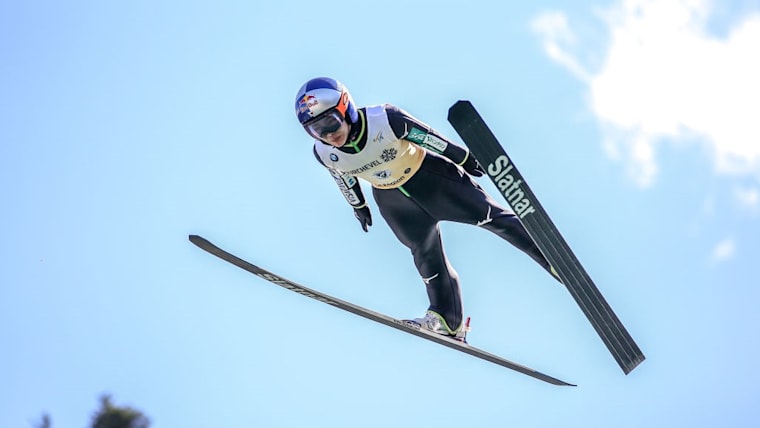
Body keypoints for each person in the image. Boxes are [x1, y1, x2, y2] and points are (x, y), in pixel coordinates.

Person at [295, 77, 558, 341]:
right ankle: (447, 320)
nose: (328, 135)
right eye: (316, 130)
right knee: (425, 254)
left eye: (330, 122)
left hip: (434, 182)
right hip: (394, 202)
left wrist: (462, 157)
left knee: (493, 218)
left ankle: (554, 259)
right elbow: (343, 177)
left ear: (346, 108)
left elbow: (429, 138)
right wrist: (358, 205)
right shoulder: (324, 152)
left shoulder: (385, 119)